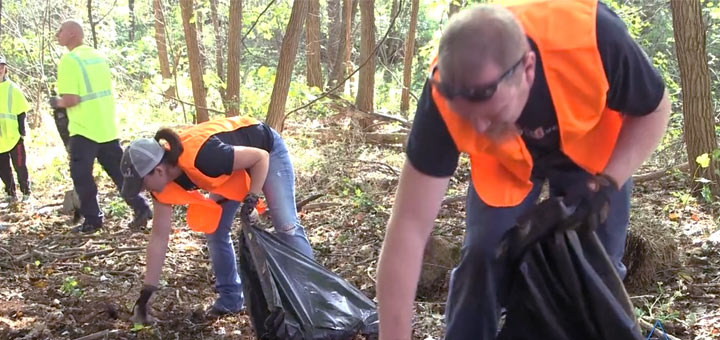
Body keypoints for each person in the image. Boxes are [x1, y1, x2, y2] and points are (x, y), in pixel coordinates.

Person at [375, 1, 671, 339]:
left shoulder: (593, 37)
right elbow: (408, 230)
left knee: (596, 265)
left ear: (527, 69)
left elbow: (655, 110)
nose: (478, 128)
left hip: (593, 149)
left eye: (490, 113)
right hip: (507, 162)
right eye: (467, 117)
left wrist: (609, 180)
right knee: (484, 254)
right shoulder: (443, 97)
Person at [120, 116, 314, 323]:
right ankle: (231, 300)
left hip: (265, 149)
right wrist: (146, 295)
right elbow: (159, 237)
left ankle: (312, 299)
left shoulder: (205, 157)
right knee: (215, 229)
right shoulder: (162, 185)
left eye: (142, 184)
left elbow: (260, 157)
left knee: (286, 225)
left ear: (158, 170)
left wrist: (252, 197)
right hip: (232, 168)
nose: (143, 190)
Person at [48, 20, 151, 233]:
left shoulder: (70, 60)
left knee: (82, 177)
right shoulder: (98, 56)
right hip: (106, 126)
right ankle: (141, 207)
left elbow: (71, 99)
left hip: (83, 129)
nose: (57, 34)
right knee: (119, 173)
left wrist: (56, 102)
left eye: (61, 31)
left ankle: (93, 220)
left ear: (73, 34)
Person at [0, 57, 31, 201]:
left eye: (2, 66)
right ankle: (11, 194)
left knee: (20, 165)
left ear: (5, 68)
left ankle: (26, 192)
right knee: (3, 169)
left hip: (14, 136)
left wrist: (22, 132)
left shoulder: (13, 89)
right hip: (0, 139)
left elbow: (22, 112)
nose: (0, 69)